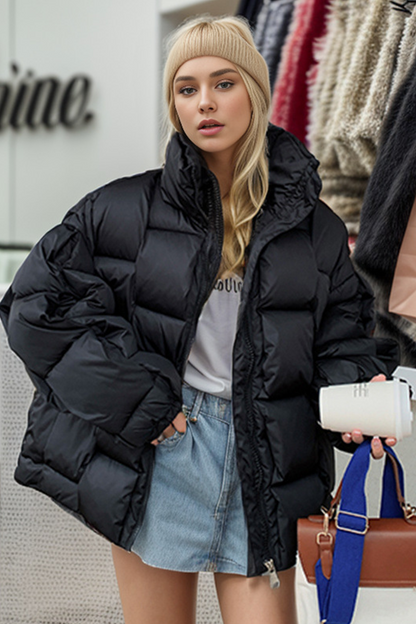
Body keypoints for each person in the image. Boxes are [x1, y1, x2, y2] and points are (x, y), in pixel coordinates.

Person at [0, 15, 398, 624]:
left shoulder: (313, 225)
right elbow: (34, 309)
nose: (205, 103)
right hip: (162, 457)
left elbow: (341, 334)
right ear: (174, 105)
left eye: (224, 82)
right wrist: (140, 402)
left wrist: (356, 396)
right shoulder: (121, 208)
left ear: (256, 93)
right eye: (186, 88)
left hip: (263, 458)